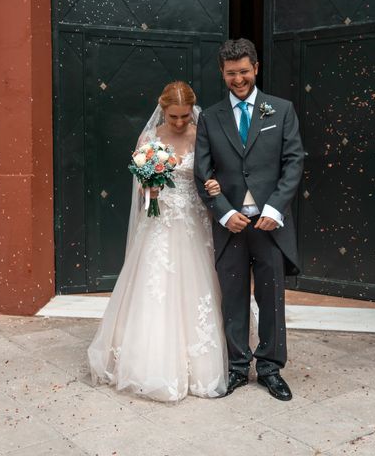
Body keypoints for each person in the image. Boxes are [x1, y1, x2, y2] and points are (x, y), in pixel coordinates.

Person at [88, 81, 227, 402]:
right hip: (160, 222)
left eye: (184, 115)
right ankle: (149, 360)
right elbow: (141, 182)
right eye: (173, 116)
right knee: (154, 286)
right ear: (162, 109)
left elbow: (215, 174)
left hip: (195, 223)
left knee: (199, 284)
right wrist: (147, 188)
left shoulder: (201, 134)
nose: (180, 122)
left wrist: (216, 187)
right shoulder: (150, 138)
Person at [194, 38, 304, 401]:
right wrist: (224, 212)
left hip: (268, 225)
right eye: (231, 74)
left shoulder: (282, 110)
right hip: (231, 227)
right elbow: (201, 171)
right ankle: (238, 366)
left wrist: (274, 209)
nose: (238, 79)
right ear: (221, 74)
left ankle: (270, 368)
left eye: (243, 71)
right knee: (234, 298)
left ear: (255, 68)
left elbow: (293, 162)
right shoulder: (210, 117)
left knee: (272, 298)